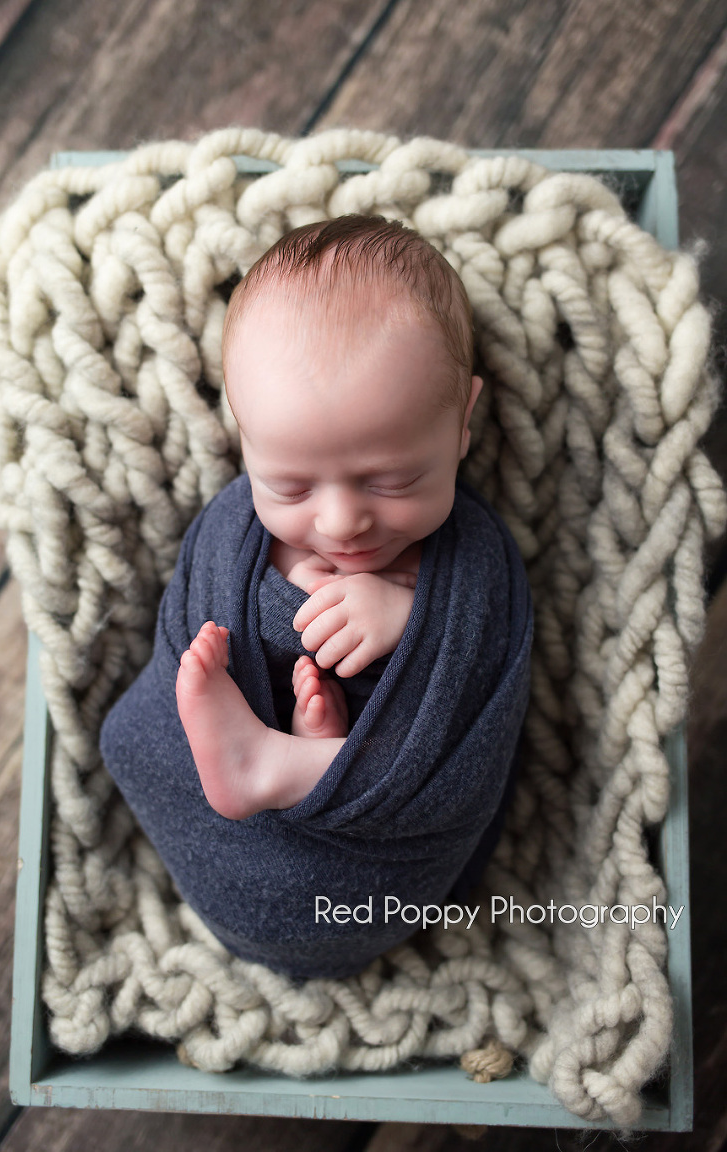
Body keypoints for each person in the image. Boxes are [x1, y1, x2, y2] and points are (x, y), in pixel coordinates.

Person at [100, 215, 533, 980]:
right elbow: (196, 612)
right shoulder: (233, 529)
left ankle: (292, 766)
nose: (340, 522)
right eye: (290, 486)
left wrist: (409, 619)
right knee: (139, 730)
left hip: (374, 888)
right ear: (245, 442)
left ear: (463, 423)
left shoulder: (471, 553)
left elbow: (484, 672)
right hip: (230, 865)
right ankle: (308, 750)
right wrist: (279, 615)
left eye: (391, 480)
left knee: (432, 756)